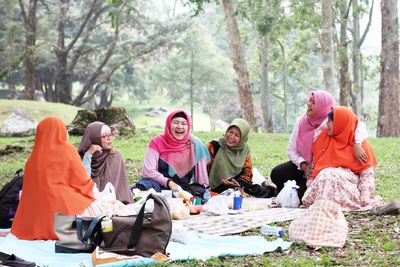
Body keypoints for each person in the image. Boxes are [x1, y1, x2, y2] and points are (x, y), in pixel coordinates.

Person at [11, 116, 134, 240]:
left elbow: (28, 192)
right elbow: (82, 182)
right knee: (108, 210)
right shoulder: (66, 150)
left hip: (34, 218)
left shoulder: (31, 159)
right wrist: (94, 195)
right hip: (64, 211)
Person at [270, 90, 368, 200]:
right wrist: (304, 166)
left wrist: (357, 143)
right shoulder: (301, 122)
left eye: (313, 102)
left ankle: (290, 191)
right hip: (304, 164)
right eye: (309, 101)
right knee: (277, 173)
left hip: (321, 166)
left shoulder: (332, 120)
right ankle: (282, 191)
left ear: (323, 105)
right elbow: (292, 149)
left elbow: (357, 125)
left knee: (301, 196)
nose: (309, 104)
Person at [302, 106, 384, 210]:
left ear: (341, 123)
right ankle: (323, 206)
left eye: (330, 121)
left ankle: (328, 205)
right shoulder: (323, 139)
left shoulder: (359, 145)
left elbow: (367, 174)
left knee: (329, 174)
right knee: (326, 175)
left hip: (348, 184)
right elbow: (315, 168)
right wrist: (310, 187)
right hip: (323, 183)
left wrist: (365, 193)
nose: (326, 124)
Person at [135, 110, 210, 193]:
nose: (179, 126)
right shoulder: (157, 142)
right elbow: (148, 171)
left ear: (188, 127)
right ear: (169, 124)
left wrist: (204, 193)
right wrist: (168, 182)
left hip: (181, 190)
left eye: (184, 123)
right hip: (156, 185)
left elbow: (202, 178)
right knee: (136, 191)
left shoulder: (195, 144)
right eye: (176, 122)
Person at [78, 122, 133, 204]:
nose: (109, 138)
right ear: (94, 139)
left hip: (111, 202)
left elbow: (119, 189)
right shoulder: (79, 157)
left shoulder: (114, 156)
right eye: (104, 136)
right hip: (88, 202)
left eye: (110, 134)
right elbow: (84, 183)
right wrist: (88, 155)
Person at [207, 118, 253, 193]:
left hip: (237, 186)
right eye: (230, 132)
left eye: (237, 135)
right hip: (215, 187)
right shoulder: (214, 145)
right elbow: (202, 169)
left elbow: (247, 173)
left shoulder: (245, 149)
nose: (231, 137)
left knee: (259, 190)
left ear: (242, 138)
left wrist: (238, 184)